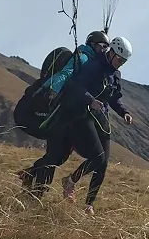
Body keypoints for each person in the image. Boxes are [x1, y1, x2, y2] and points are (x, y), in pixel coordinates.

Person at [19, 35, 134, 216]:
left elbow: (113, 98)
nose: (120, 64)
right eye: (119, 59)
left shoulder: (114, 74)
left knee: (100, 161)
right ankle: (33, 197)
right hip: (75, 116)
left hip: (96, 118)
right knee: (57, 157)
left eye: (123, 62)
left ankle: (87, 203)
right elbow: (73, 84)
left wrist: (124, 112)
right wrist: (90, 99)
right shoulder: (93, 66)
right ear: (111, 52)